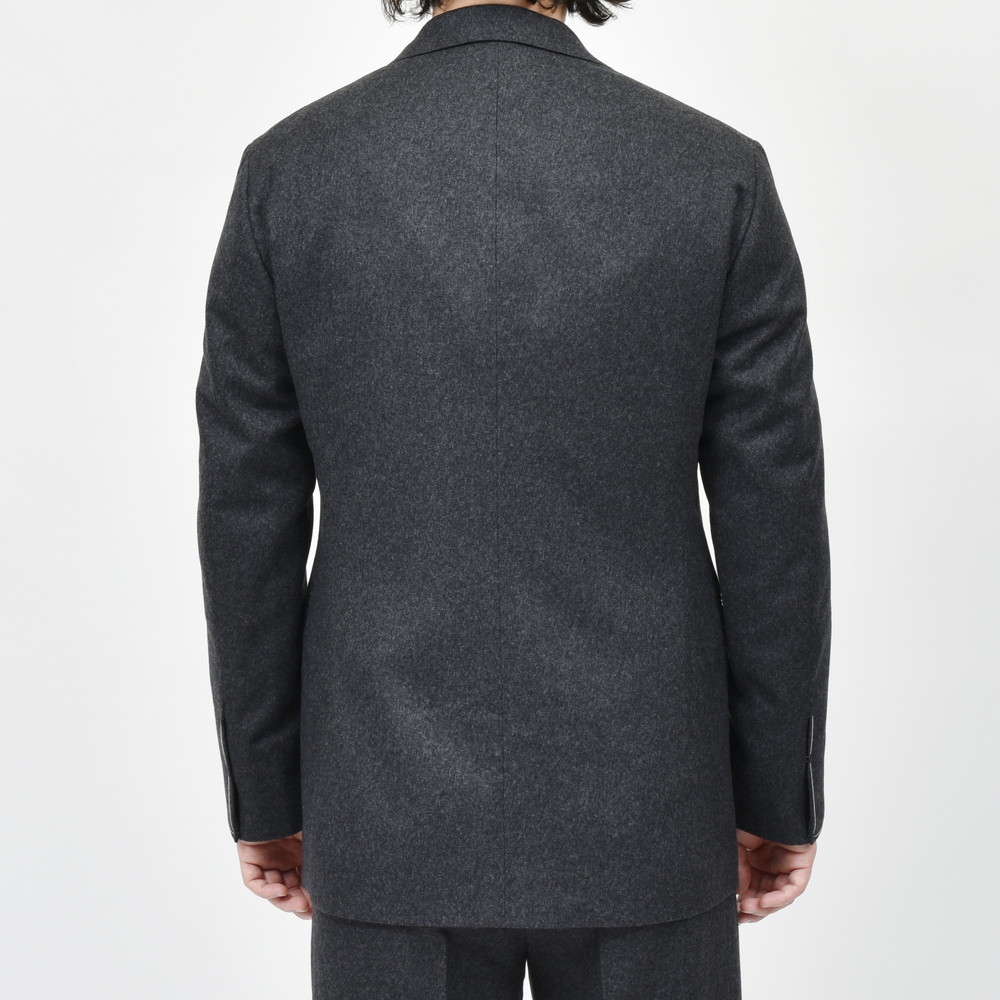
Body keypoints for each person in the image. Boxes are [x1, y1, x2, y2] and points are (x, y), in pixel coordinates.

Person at [194, 1, 832, 996]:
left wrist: (267, 791)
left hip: (383, 800)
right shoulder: (714, 171)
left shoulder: (292, 169)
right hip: (648, 807)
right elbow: (773, 523)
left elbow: (248, 517)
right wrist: (776, 794)